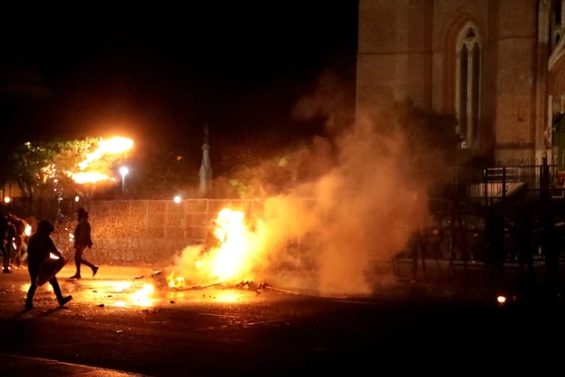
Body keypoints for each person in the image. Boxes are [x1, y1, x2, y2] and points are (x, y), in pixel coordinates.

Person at [25, 220, 72, 310]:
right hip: (41, 265)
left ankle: (29, 301)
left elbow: (30, 252)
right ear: (45, 230)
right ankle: (60, 299)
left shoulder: (33, 238)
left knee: (37, 282)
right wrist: (61, 258)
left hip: (32, 263)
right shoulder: (45, 238)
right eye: (49, 232)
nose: (49, 234)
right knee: (42, 282)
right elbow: (53, 250)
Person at [69, 208, 98, 279]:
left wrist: (80, 242)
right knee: (77, 258)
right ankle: (79, 272)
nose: (76, 215)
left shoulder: (84, 222)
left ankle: (92, 267)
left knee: (77, 257)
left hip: (81, 242)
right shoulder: (83, 222)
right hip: (81, 242)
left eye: (78, 214)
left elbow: (84, 234)